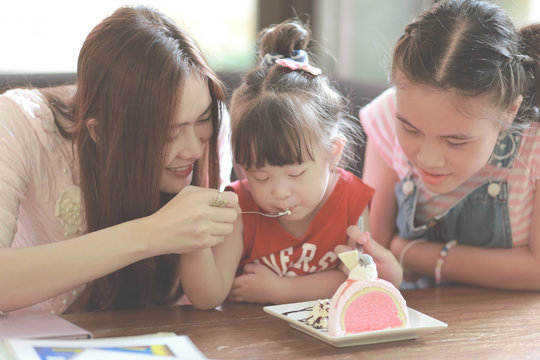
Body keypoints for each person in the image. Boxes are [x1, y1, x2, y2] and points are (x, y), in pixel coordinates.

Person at [0, 6, 240, 314]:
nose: (194, 149)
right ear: (101, 131)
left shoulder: (213, 132)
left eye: (203, 119)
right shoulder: (18, 126)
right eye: (168, 133)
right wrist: (151, 233)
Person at [180, 19, 403, 310]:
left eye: (295, 173)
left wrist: (280, 290)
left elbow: (357, 279)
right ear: (241, 165)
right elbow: (208, 297)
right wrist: (191, 237)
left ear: (333, 153)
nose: (280, 192)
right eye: (260, 176)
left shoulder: (351, 199)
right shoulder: (240, 206)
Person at [360, 0, 540, 290]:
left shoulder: (535, 145)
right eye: (410, 129)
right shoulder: (385, 115)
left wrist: (410, 252)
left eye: (455, 141)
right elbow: (371, 257)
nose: (428, 159)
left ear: (509, 111)